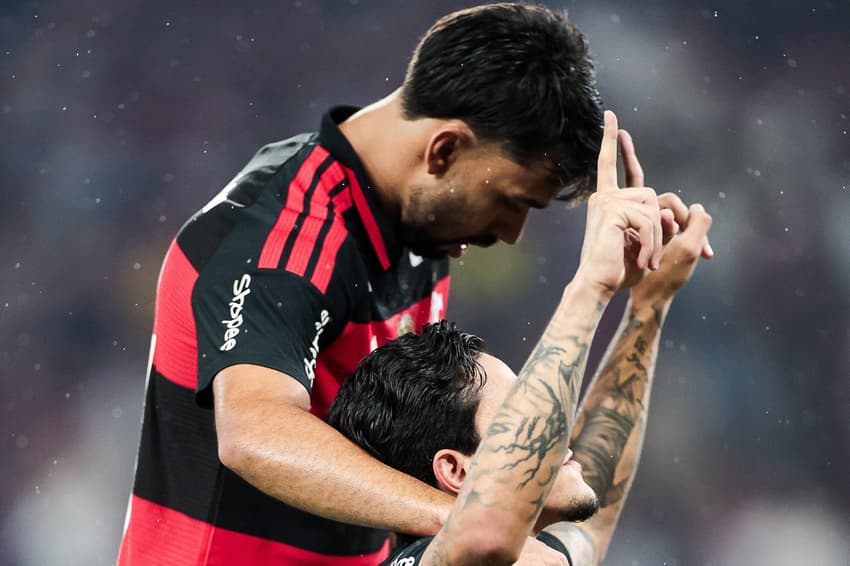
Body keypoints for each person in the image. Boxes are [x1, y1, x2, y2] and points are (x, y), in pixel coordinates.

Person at [118, 3, 708, 564]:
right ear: (445, 148)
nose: (510, 233)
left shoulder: (414, 228)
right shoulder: (287, 234)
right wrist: (473, 525)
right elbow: (252, 431)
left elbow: (575, 516)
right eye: (510, 201)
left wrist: (646, 303)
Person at [328, 164, 713, 565]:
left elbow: (591, 517)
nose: (558, 429)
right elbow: (482, 537)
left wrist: (647, 305)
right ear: (457, 471)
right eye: (522, 411)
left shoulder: (539, 556)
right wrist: (591, 285)